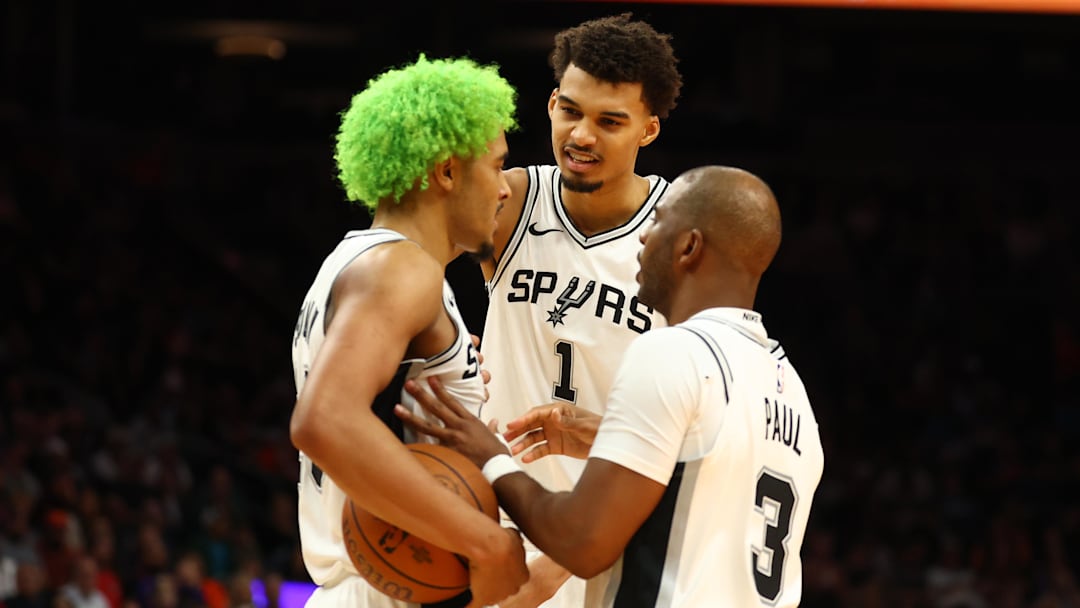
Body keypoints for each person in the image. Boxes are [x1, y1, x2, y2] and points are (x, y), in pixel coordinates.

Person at [399, 165, 826, 607]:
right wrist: (610, 439)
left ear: (689, 247)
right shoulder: (790, 391)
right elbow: (701, 492)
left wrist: (489, 457)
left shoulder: (673, 351)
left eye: (657, 223)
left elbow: (581, 542)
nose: (643, 237)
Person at [288, 55, 528, 608]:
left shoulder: (365, 263)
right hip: (385, 586)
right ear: (447, 172)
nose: (503, 190)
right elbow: (324, 420)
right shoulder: (403, 268)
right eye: (495, 167)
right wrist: (487, 543)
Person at [476, 13, 683, 606]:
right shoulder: (508, 203)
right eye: (570, 111)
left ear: (648, 129)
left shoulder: (679, 237)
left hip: (614, 543)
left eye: (609, 121)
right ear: (549, 104)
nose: (582, 135)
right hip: (499, 526)